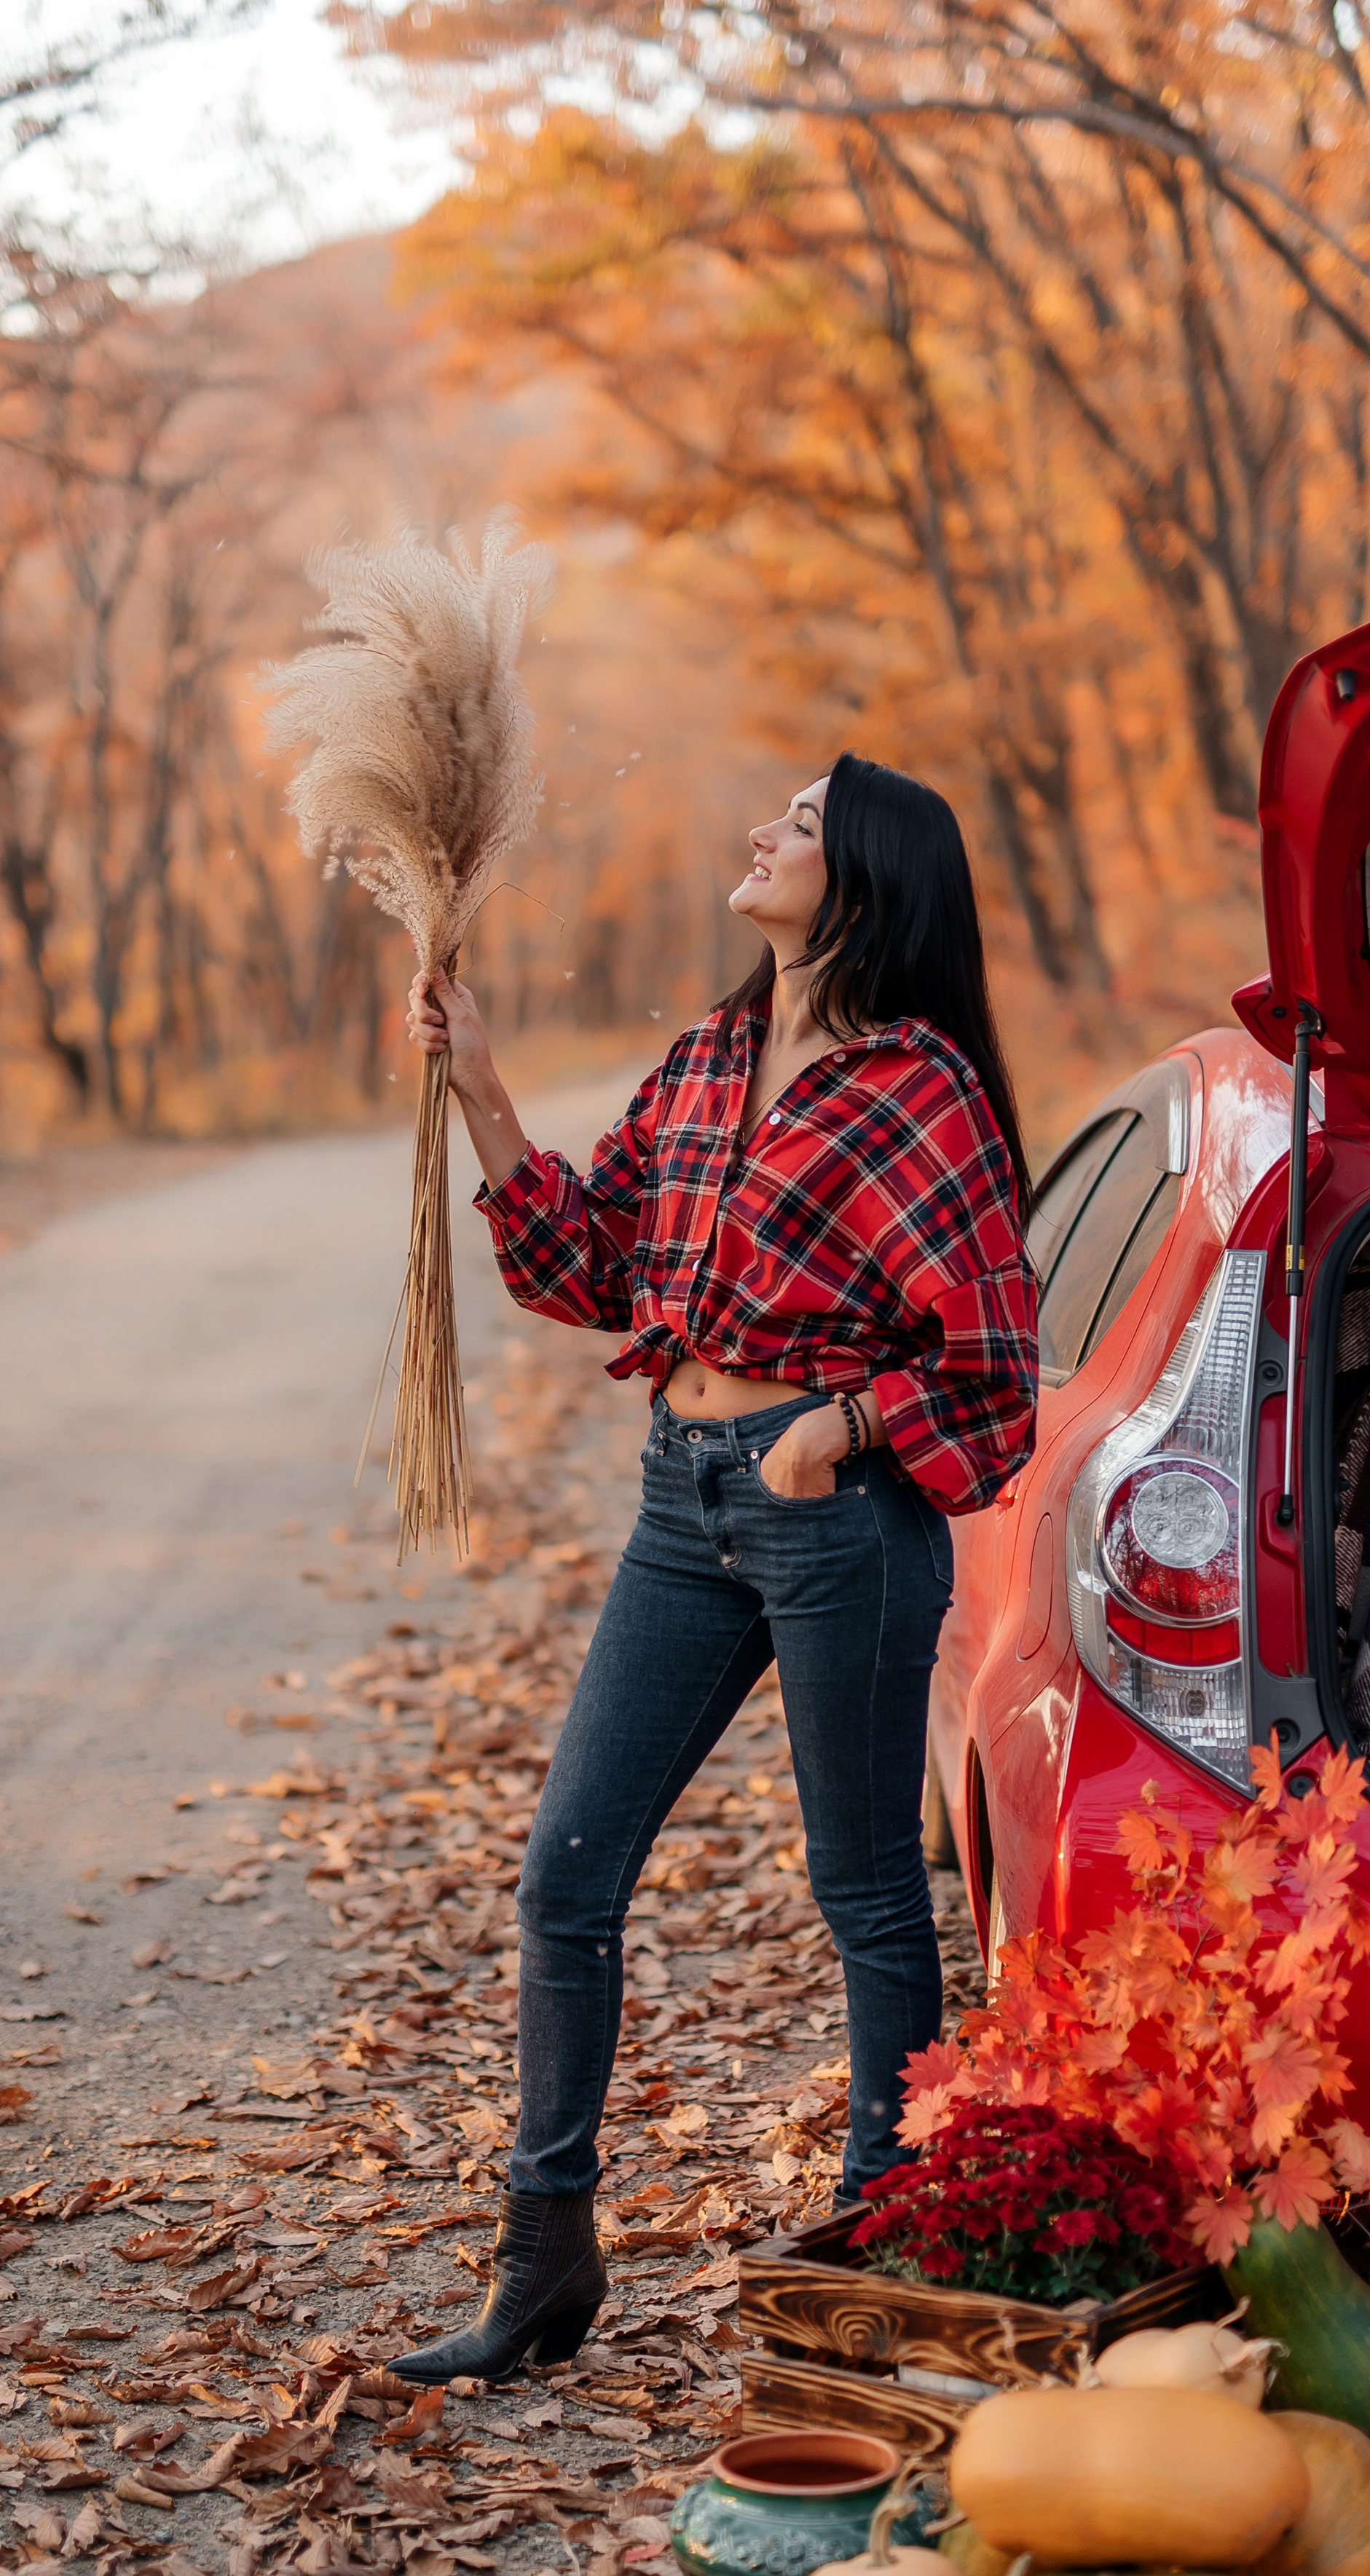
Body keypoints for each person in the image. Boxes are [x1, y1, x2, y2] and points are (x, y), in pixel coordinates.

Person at [390, 751, 1038, 2385]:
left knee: (867, 1897)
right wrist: (480, 1093)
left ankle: (876, 2263)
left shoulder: (919, 1089)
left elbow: (991, 1370)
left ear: (868, 877)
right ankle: (545, 2264)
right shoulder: (705, 1059)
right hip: (679, 1502)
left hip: (831, 1517)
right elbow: (592, 1265)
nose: (760, 830)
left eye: (803, 823)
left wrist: (833, 1430)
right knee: (564, 1873)